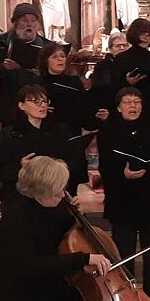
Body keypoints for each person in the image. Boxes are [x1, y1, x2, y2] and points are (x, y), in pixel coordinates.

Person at [0, 156, 120, 301]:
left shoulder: (51, 207)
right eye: (58, 190)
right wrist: (82, 259)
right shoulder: (15, 218)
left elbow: (61, 243)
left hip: (50, 292)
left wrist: (75, 217)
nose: (63, 194)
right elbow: (27, 265)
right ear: (41, 189)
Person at [97, 87, 150, 301]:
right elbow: (104, 166)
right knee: (124, 254)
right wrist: (123, 175)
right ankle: (126, 298)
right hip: (123, 200)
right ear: (118, 106)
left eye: (137, 102)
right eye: (128, 102)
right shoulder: (108, 131)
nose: (133, 106)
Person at [0, 84, 81, 205]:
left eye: (45, 101)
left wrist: (62, 165)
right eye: (36, 102)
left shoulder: (60, 130)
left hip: (54, 195)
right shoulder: (9, 134)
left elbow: (75, 161)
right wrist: (21, 166)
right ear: (21, 105)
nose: (43, 105)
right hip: (20, 197)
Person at [36, 43, 107, 195]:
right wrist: (40, 109)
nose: (60, 60)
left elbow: (84, 110)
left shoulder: (73, 82)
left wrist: (98, 117)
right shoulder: (38, 83)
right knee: (48, 184)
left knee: (70, 184)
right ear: (45, 61)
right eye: (55, 57)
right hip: (47, 136)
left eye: (62, 56)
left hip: (71, 136)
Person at [0, 3, 51, 127]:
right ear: (15, 23)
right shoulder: (3, 42)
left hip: (38, 103)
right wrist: (4, 68)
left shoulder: (47, 46)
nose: (29, 24)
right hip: (11, 105)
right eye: (24, 20)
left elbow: (53, 77)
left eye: (33, 20)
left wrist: (41, 74)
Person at [112, 18, 150, 124]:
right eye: (143, 34)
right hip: (127, 107)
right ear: (134, 34)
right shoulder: (121, 58)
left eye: (149, 35)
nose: (146, 38)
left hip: (149, 106)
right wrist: (128, 84)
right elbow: (113, 88)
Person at [89, 31, 131, 115]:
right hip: (109, 106)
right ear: (110, 49)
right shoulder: (102, 65)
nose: (122, 48)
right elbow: (99, 87)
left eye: (125, 45)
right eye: (118, 46)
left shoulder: (133, 64)